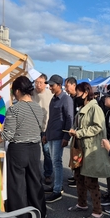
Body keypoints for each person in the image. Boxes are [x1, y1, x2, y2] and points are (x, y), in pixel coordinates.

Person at [0, 76, 46, 218]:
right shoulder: (39, 108)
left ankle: (20, 217)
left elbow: (8, 135)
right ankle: (39, 214)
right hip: (34, 149)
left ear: (18, 91)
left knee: (17, 184)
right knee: (35, 181)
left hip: (18, 150)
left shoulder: (14, 109)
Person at [68, 82, 110, 218]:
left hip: (91, 150)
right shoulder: (83, 107)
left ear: (86, 93)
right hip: (80, 148)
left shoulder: (95, 108)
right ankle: (82, 204)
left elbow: (98, 127)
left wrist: (79, 133)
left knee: (91, 180)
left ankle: (98, 212)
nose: (76, 95)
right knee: (79, 177)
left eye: (78, 92)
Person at [43, 74, 74, 203]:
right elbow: (51, 119)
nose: (49, 87)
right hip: (51, 134)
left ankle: (57, 190)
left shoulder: (66, 99)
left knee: (57, 162)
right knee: (53, 160)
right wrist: (45, 134)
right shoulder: (54, 99)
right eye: (49, 85)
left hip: (59, 136)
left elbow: (69, 118)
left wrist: (66, 137)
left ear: (59, 85)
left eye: (52, 85)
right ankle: (56, 185)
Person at [32, 73, 53, 184]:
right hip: (33, 128)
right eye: (36, 82)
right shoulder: (31, 93)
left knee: (47, 152)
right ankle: (35, 174)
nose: (38, 85)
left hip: (46, 128)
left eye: (40, 82)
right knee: (34, 152)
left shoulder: (51, 94)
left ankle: (48, 174)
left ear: (45, 83)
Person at [65, 77, 78, 187]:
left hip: (78, 131)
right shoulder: (70, 98)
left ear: (74, 85)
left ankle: (77, 177)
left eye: (67, 86)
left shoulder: (78, 98)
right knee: (73, 153)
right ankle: (75, 175)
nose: (66, 89)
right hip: (72, 130)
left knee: (77, 154)